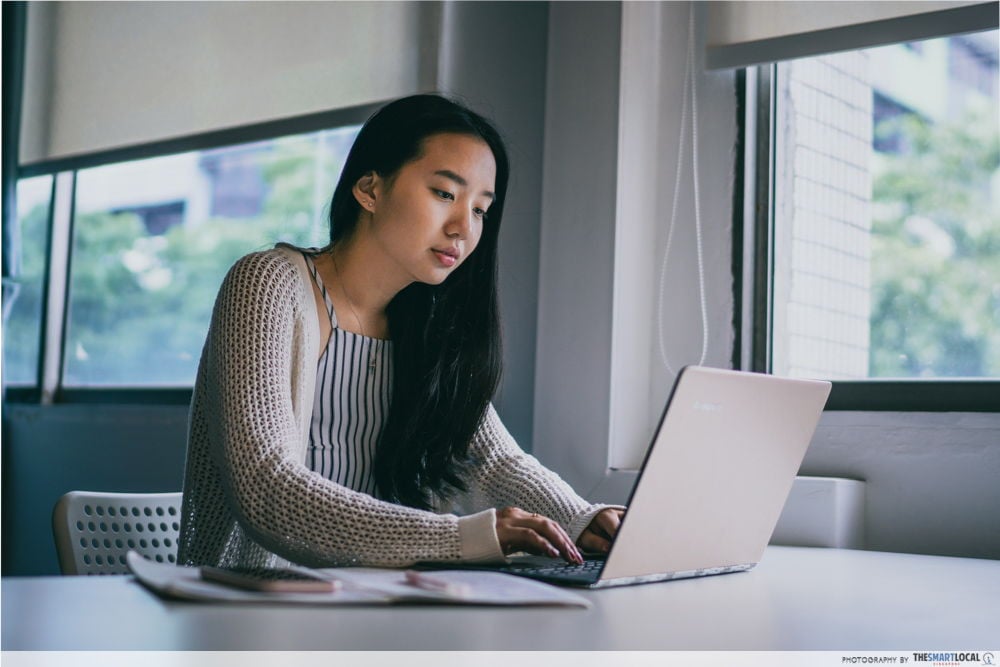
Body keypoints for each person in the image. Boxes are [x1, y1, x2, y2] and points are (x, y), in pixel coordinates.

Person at [178, 94, 624, 570]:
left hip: (381, 607)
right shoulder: (267, 284)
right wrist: (460, 536)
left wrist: (582, 519)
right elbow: (267, 486)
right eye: (445, 194)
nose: (462, 228)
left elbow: (495, 463)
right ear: (369, 189)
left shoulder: (427, 325)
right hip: (251, 611)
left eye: (480, 210)